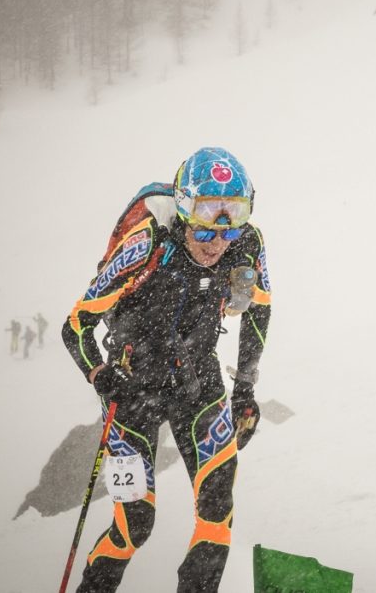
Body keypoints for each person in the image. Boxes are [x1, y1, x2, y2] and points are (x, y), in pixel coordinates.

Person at [61, 146, 272, 592]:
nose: (218, 236)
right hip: (131, 389)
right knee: (134, 524)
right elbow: (77, 324)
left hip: (198, 380)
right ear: (182, 205)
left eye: (233, 214)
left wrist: (245, 390)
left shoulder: (246, 244)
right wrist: (100, 374)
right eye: (207, 213)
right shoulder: (147, 241)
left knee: (218, 511)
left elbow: (258, 312)